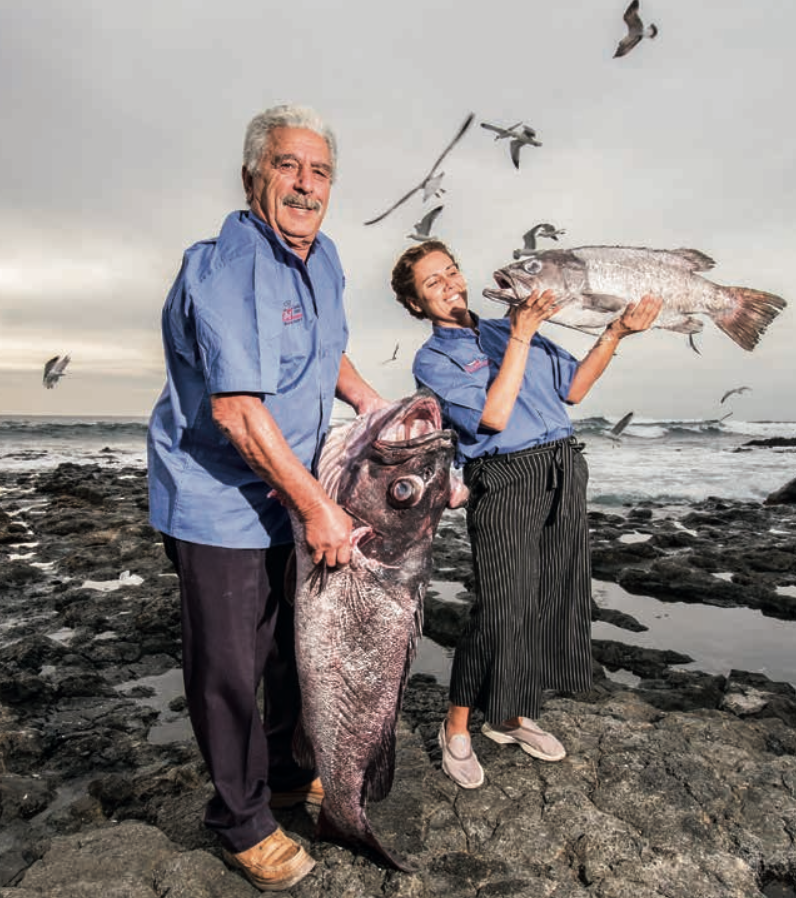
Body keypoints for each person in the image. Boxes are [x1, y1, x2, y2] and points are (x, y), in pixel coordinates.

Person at [147, 104, 385, 891]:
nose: (305, 184)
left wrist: (376, 410)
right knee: (228, 665)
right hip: (219, 499)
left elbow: (326, 349)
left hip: (294, 487)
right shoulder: (226, 265)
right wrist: (320, 506)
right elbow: (238, 410)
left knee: (291, 653)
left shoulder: (324, 257)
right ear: (255, 175)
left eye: (319, 171)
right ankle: (240, 819)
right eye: (288, 165)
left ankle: (287, 773)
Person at [390, 240, 661, 789]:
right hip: (505, 480)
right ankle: (457, 725)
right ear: (417, 306)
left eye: (451, 271)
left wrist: (616, 333)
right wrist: (520, 335)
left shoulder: (507, 324)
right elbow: (491, 416)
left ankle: (509, 715)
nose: (450, 286)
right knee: (499, 607)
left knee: (545, 600)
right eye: (432, 284)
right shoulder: (435, 358)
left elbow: (575, 389)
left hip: (562, 465)